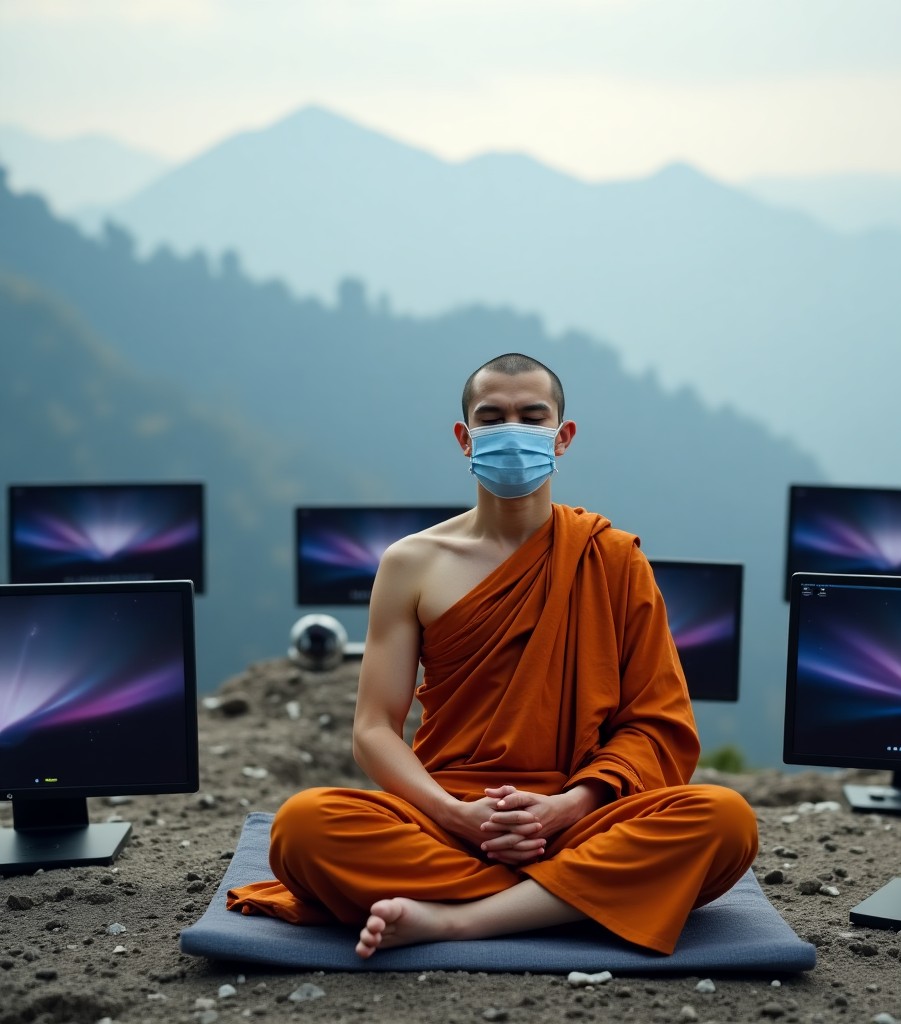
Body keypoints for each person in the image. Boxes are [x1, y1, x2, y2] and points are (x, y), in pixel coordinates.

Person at [227, 352, 759, 958]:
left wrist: (566, 807)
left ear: (563, 437)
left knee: (724, 819)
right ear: (464, 437)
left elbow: (656, 725)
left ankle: (458, 920)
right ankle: (572, 900)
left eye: (533, 417)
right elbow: (375, 729)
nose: (514, 431)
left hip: (579, 813)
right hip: (446, 813)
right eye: (493, 416)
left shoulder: (611, 558)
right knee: (303, 827)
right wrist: (457, 816)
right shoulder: (412, 564)